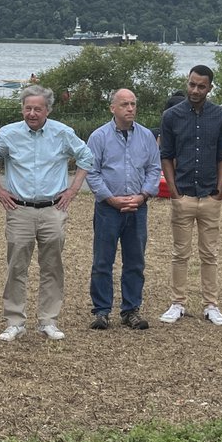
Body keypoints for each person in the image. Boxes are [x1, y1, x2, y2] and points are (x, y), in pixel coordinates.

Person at [0, 84, 94, 342]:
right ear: (22, 108)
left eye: (37, 109)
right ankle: (15, 321)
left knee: (52, 266)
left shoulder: (62, 133)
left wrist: (72, 191)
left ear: (48, 110)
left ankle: (48, 321)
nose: (32, 113)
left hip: (53, 210)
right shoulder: (8, 134)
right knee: (16, 266)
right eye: (28, 108)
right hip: (19, 210)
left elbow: (86, 157)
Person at [158, 66, 222, 326]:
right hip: (184, 194)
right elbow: (166, 155)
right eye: (191, 84)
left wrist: (220, 190)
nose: (195, 90)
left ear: (210, 88)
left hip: (210, 194)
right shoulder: (171, 116)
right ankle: (177, 302)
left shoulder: (220, 116)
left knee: (209, 253)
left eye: (201, 86)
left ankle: (211, 304)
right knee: (180, 253)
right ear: (187, 83)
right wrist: (174, 192)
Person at [86, 88, 161, 331]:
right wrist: (111, 199)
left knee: (135, 260)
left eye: (133, 104)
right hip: (108, 209)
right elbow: (92, 172)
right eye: (125, 104)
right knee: (102, 260)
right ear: (113, 108)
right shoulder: (99, 137)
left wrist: (143, 195)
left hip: (138, 208)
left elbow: (153, 168)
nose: (130, 108)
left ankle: (131, 310)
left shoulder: (147, 136)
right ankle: (101, 310)